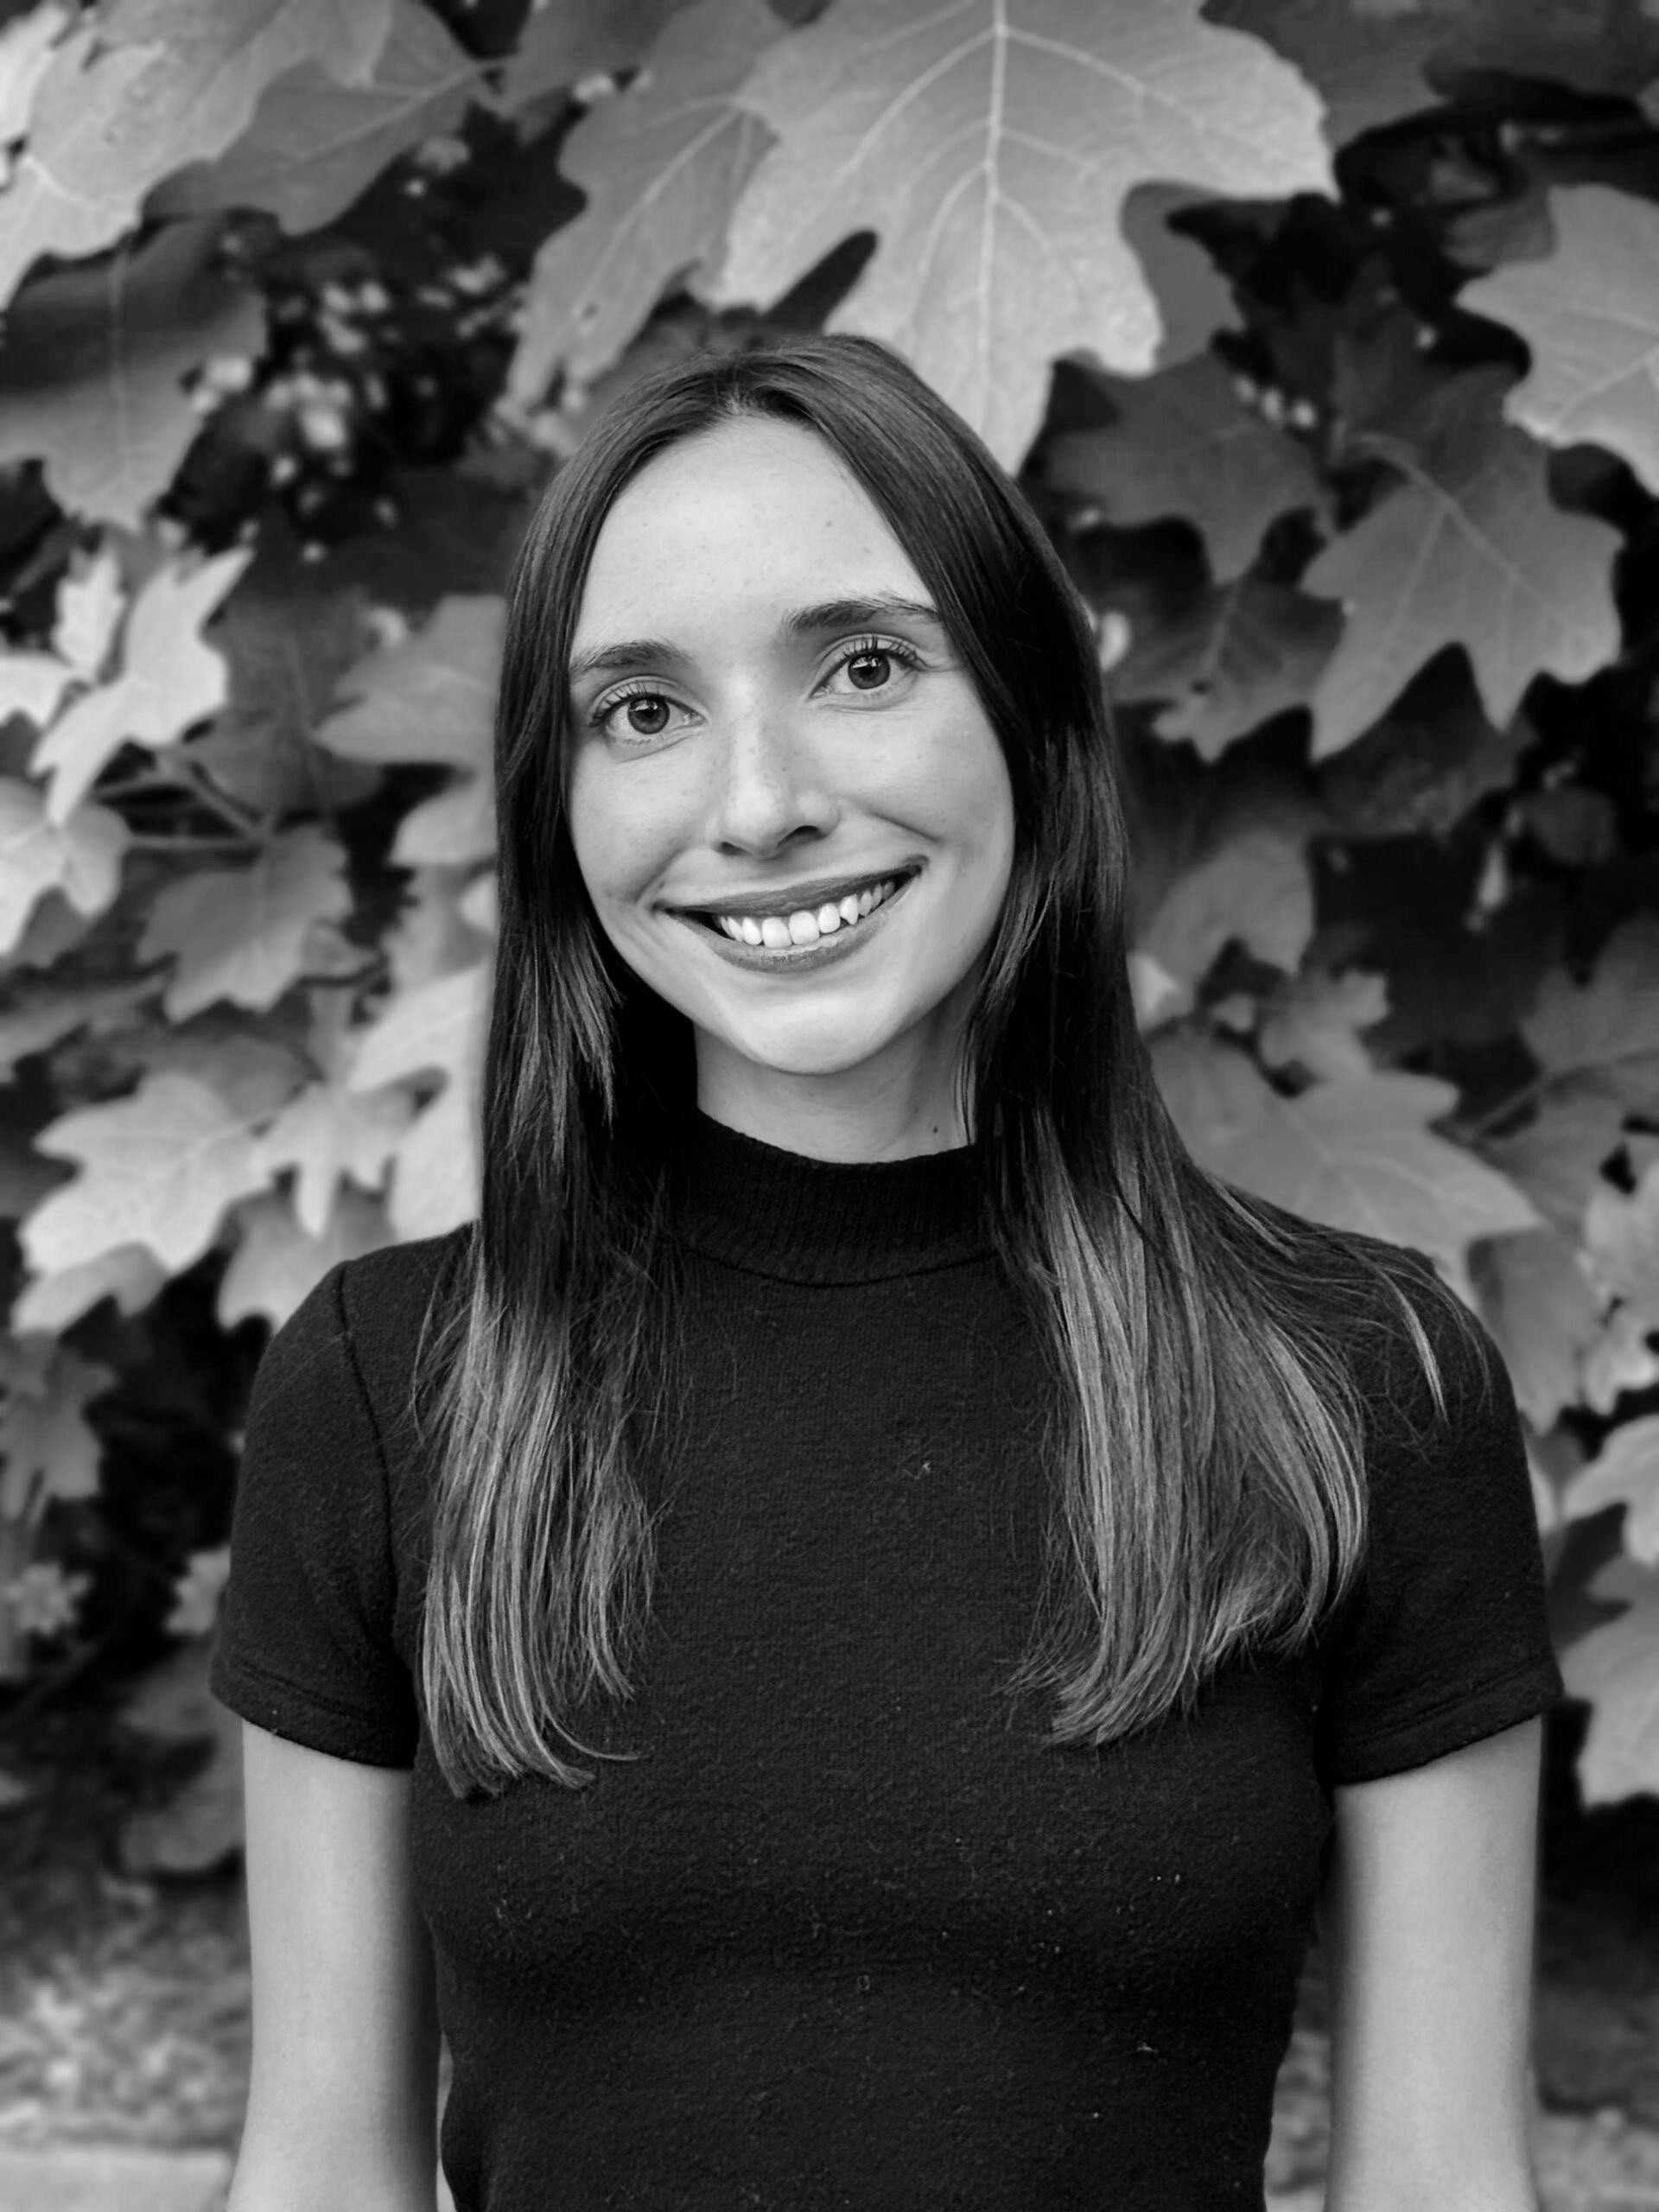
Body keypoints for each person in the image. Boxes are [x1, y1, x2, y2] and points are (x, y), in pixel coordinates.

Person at [214, 334, 1562, 2212]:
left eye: (861, 666)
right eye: (643, 710)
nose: (758, 801)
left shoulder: (1354, 1383)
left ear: (1029, 714)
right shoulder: (391, 1387)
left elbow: (1444, 2180)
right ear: (558, 805)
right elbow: (320, 2175)